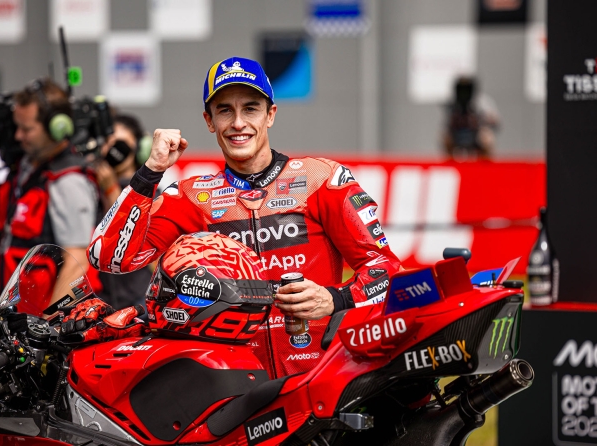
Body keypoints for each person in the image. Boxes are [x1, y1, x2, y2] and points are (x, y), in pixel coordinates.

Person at [88, 57, 401, 378]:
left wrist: (335, 298)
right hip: (232, 383)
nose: (238, 123)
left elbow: (387, 271)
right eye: (225, 110)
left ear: (270, 115)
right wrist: (150, 172)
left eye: (250, 108)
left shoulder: (322, 179)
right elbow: (108, 258)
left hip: (320, 377)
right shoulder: (189, 196)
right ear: (209, 121)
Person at [0, 78, 99, 298]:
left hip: (42, 315)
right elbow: (0, 223)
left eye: (26, 129)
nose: (18, 136)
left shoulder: (68, 181)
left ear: (57, 128)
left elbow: (78, 262)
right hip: (20, 311)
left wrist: (51, 317)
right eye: (17, 127)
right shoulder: (29, 168)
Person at [92, 113, 153, 309]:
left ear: (140, 149)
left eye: (119, 143)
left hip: (138, 302)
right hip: (102, 299)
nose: (111, 149)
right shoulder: (92, 189)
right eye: (107, 142)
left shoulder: (150, 192)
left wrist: (111, 190)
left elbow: (129, 236)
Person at [442, 76, 500, 161]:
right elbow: (446, 125)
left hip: (476, 134)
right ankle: (450, 164)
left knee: (487, 137)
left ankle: (486, 164)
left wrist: (481, 121)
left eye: (466, 89)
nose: (463, 93)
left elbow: (496, 122)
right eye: (461, 90)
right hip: (458, 135)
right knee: (445, 137)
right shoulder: (452, 103)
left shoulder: (482, 103)